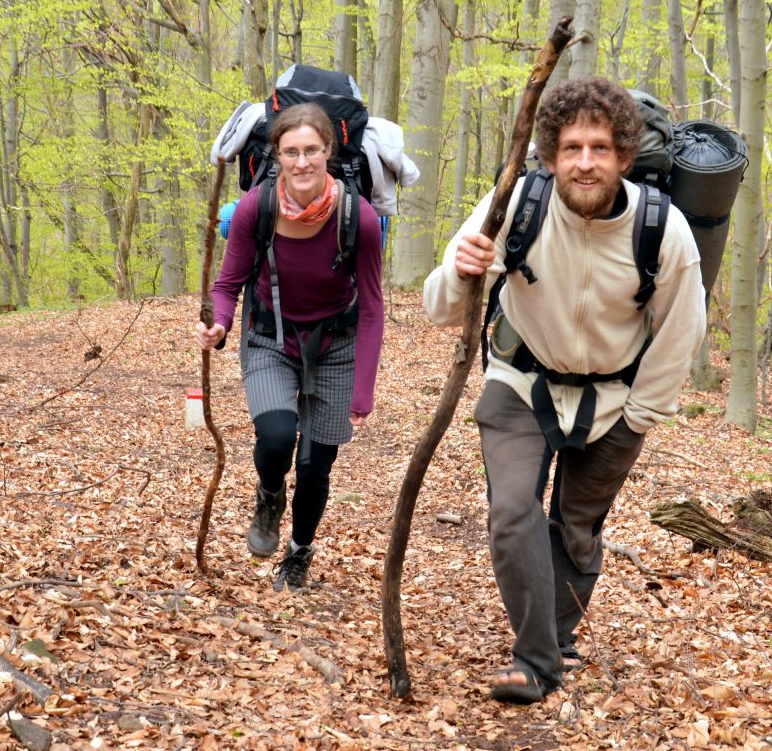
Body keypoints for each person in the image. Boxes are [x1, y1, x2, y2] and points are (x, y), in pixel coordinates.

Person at [423, 76, 706, 703]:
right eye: (572, 147)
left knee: (576, 529)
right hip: (520, 381)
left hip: (616, 401)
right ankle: (536, 660)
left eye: (600, 148)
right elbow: (440, 306)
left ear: (624, 157)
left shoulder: (664, 229)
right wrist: (460, 267)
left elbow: (683, 329)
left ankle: (556, 637)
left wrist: (639, 418)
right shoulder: (516, 203)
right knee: (513, 512)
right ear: (549, 154)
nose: (585, 162)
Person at [197, 103, 383, 592]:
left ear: (329, 152)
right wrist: (219, 324)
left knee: (316, 468)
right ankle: (269, 493)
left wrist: (363, 391)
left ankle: (299, 553)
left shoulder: (357, 218)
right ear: (276, 155)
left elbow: (372, 307)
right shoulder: (256, 209)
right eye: (291, 152)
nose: (302, 162)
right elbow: (228, 283)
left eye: (312, 151)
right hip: (269, 340)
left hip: (337, 347)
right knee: (277, 439)